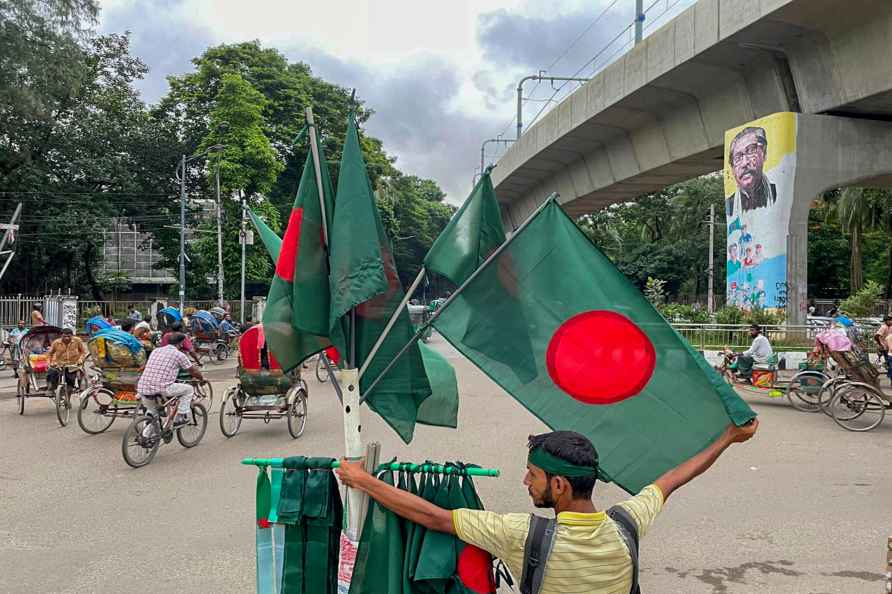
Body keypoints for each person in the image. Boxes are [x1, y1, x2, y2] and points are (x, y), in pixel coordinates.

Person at [337, 421, 758, 594]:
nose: (524, 481)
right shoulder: (627, 524)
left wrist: (363, 481)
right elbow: (672, 480)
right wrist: (727, 438)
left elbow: (433, 516)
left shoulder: (524, 534)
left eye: (532, 475)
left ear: (558, 485)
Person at [136, 332, 204, 427]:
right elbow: (193, 371)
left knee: (152, 412)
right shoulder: (179, 355)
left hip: (143, 387)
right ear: (180, 344)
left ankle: (145, 436)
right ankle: (180, 417)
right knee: (189, 389)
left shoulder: (156, 350)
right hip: (162, 388)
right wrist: (201, 379)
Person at [725, 126, 776, 218]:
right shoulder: (730, 206)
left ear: (764, 154)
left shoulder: (778, 194)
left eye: (751, 150)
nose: (745, 163)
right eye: (738, 158)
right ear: (732, 169)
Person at [46, 327, 87, 392]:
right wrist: (49, 363)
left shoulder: (77, 340)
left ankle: (76, 387)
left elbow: (83, 352)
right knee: (51, 372)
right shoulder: (56, 342)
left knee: (72, 381)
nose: (67, 338)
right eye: (64, 336)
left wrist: (80, 359)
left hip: (74, 364)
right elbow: (49, 354)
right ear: (61, 336)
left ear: (72, 336)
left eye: (69, 336)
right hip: (60, 364)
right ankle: (51, 388)